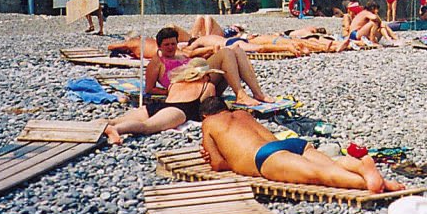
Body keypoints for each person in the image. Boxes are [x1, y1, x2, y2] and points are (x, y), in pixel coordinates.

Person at [199, 97, 404, 192]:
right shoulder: (242, 113)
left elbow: (217, 164)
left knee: (321, 175)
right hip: (291, 144)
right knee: (330, 165)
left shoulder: (209, 122)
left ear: (205, 115)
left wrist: (229, 160)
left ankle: (376, 183)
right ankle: (361, 166)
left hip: (265, 157)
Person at [144, 27, 274, 106]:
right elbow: (149, 89)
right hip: (192, 91)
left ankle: (258, 93)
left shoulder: (180, 54)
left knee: (237, 49)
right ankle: (240, 95)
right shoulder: (157, 63)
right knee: (226, 53)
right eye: (167, 45)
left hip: (204, 82)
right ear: (159, 46)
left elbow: (195, 58)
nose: (171, 47)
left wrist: (209, 53)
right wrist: (169, 92)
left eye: (173, 44)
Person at [103, 58, 220, 144]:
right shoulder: (207, 86)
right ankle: (116, 130)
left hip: (159, 106)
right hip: (177, 111)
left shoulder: (175, 83)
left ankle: (96, 125)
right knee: (146, 127)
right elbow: (208, 108)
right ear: (205, 75)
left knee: (116, 120)